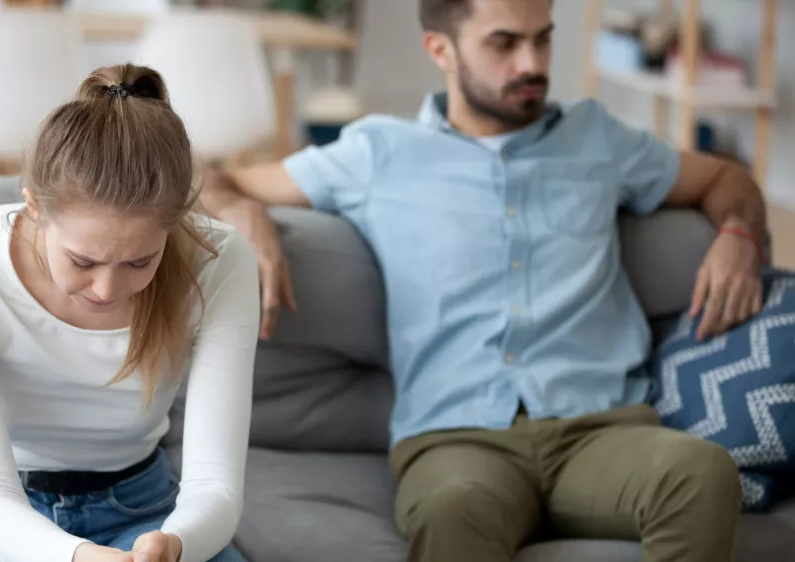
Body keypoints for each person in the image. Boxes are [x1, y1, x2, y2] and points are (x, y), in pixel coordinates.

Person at [198, 0, 770, 561]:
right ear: (440, 49)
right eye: (504, 42)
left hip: (602, 430)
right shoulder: (377, 153)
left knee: (702, 471)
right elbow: (205, 176)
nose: (532, 63)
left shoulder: (597, 138)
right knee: (452, 514)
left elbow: (725, 179)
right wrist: (246, 215)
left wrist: (739, 237)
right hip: (456, 441)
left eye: (542, 38)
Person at [0, 64, 260, 562]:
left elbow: (216, 485)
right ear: (34, 207)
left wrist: (174, 545)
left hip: (142, 511)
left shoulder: (220, 261)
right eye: (83, 260)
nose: (107, 288)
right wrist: (78, 557)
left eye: (140, 261)